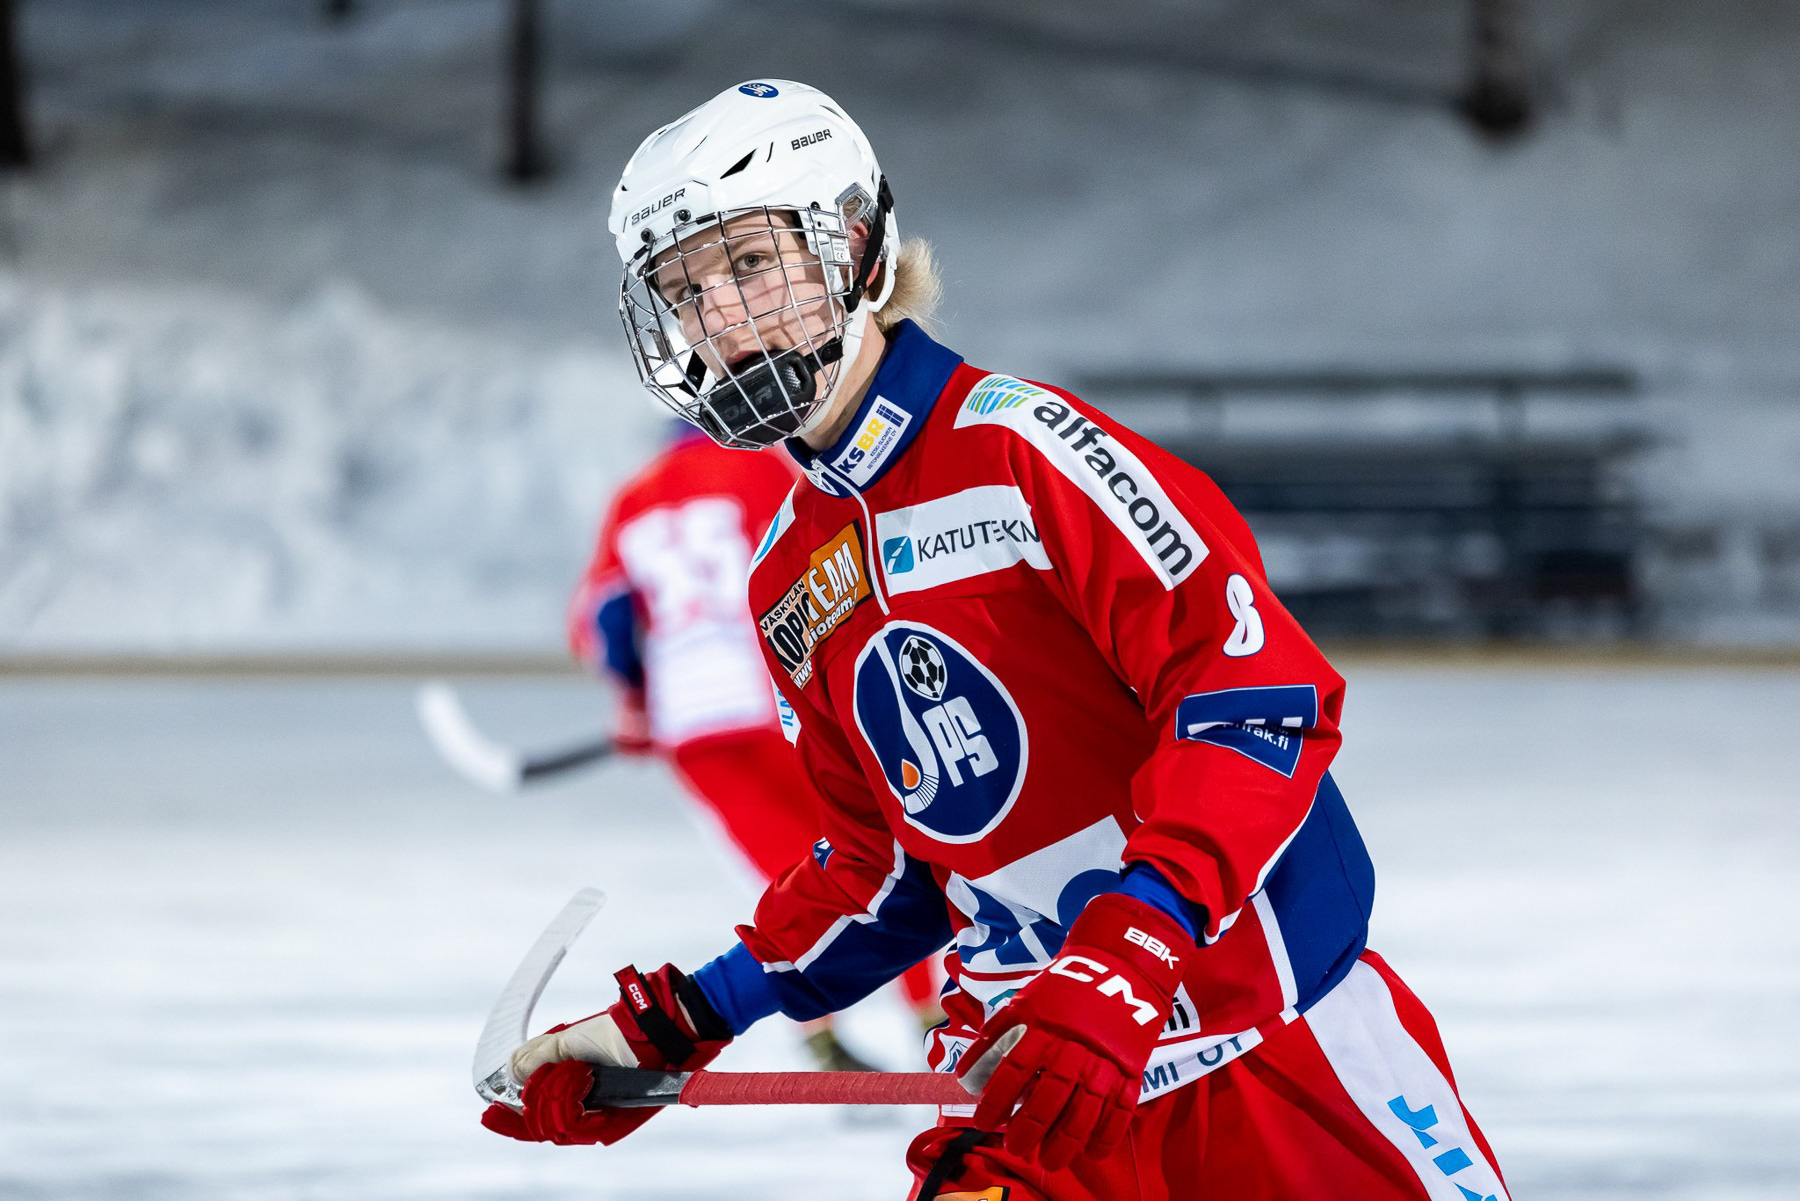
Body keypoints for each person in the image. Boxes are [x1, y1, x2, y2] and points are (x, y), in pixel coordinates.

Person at [485, 79, 1510, 1201]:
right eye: (685, 291)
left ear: (859, 249)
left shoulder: (1028, 455)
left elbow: (1256, 705)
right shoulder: (789, 578)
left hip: (1269, 1058)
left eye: (750, 264)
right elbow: (885, 872)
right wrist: (682, 1018)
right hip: (1029, 1100)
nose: (721, 318)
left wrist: (1127, 958)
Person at [566, 420, 941, 1072]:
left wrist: (633, 699)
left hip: (693, 727)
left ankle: (821, 1037)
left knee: (788, 875)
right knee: (875, 854)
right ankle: (930, 1014)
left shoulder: (632, 495)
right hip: (780, 703)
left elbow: (607, 617)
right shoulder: (762, 468)